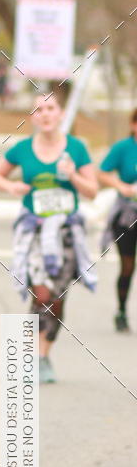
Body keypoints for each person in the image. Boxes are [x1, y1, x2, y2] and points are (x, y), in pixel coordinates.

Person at [0, 92, 98, 383]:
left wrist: (72, 175)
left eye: (50, 108)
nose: (45, 114)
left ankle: (44, 354)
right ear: (33, 117)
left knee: (58, 297)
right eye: (39, 110)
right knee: (42, 294)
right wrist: (13, 188)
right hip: (34, 231)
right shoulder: (22, 149)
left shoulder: (76, 148)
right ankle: (31, 354)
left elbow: (92, 191)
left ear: (60, 113)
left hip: (66, 232)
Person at [98, 109, 137, 332]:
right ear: (133, 125)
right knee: (128, 266)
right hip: (127, 215)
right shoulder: (123, 148)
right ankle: (121, 311)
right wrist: (121, 186)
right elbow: (102, 172)